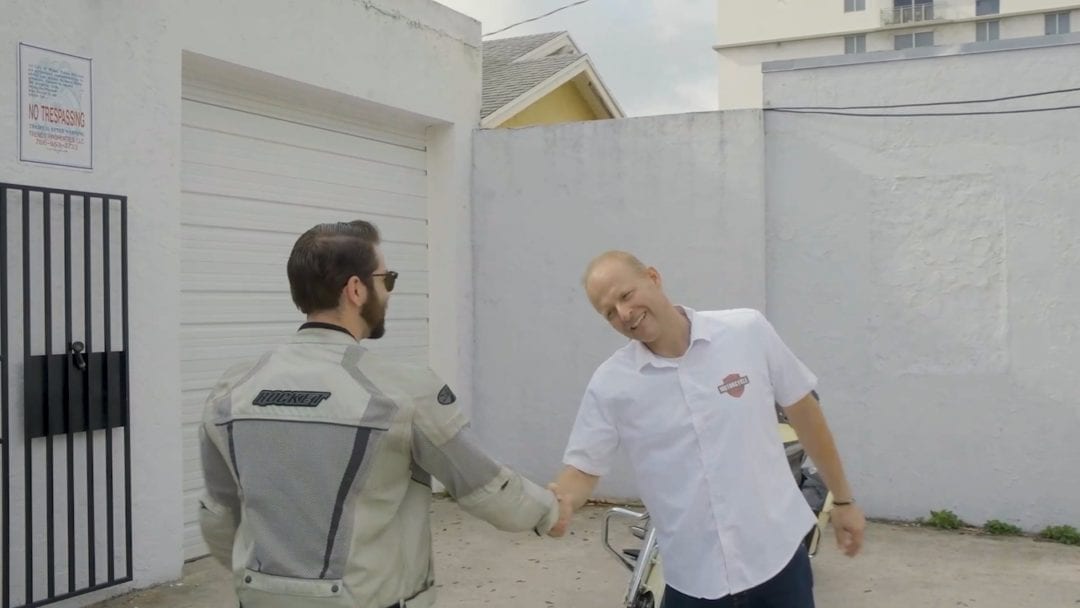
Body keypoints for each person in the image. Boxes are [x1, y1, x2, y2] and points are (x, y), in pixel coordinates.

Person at [199, 220, 570, 608]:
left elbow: (219, 514)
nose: (389, 292)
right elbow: (483, 486)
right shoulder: (403, 390)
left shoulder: (233, 388)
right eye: (386, 279)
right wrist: (549, 511)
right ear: (356, 290)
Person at [549, 250, 865, 608]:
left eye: (625, 295)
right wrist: (562, 501)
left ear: (653, 277)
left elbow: (805, 412)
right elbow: (584, 467)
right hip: (694, 579)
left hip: (778, 561)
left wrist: (843, 499)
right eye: (609, 313)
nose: (623, 314)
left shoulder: (746, 331)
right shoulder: (611, 385)